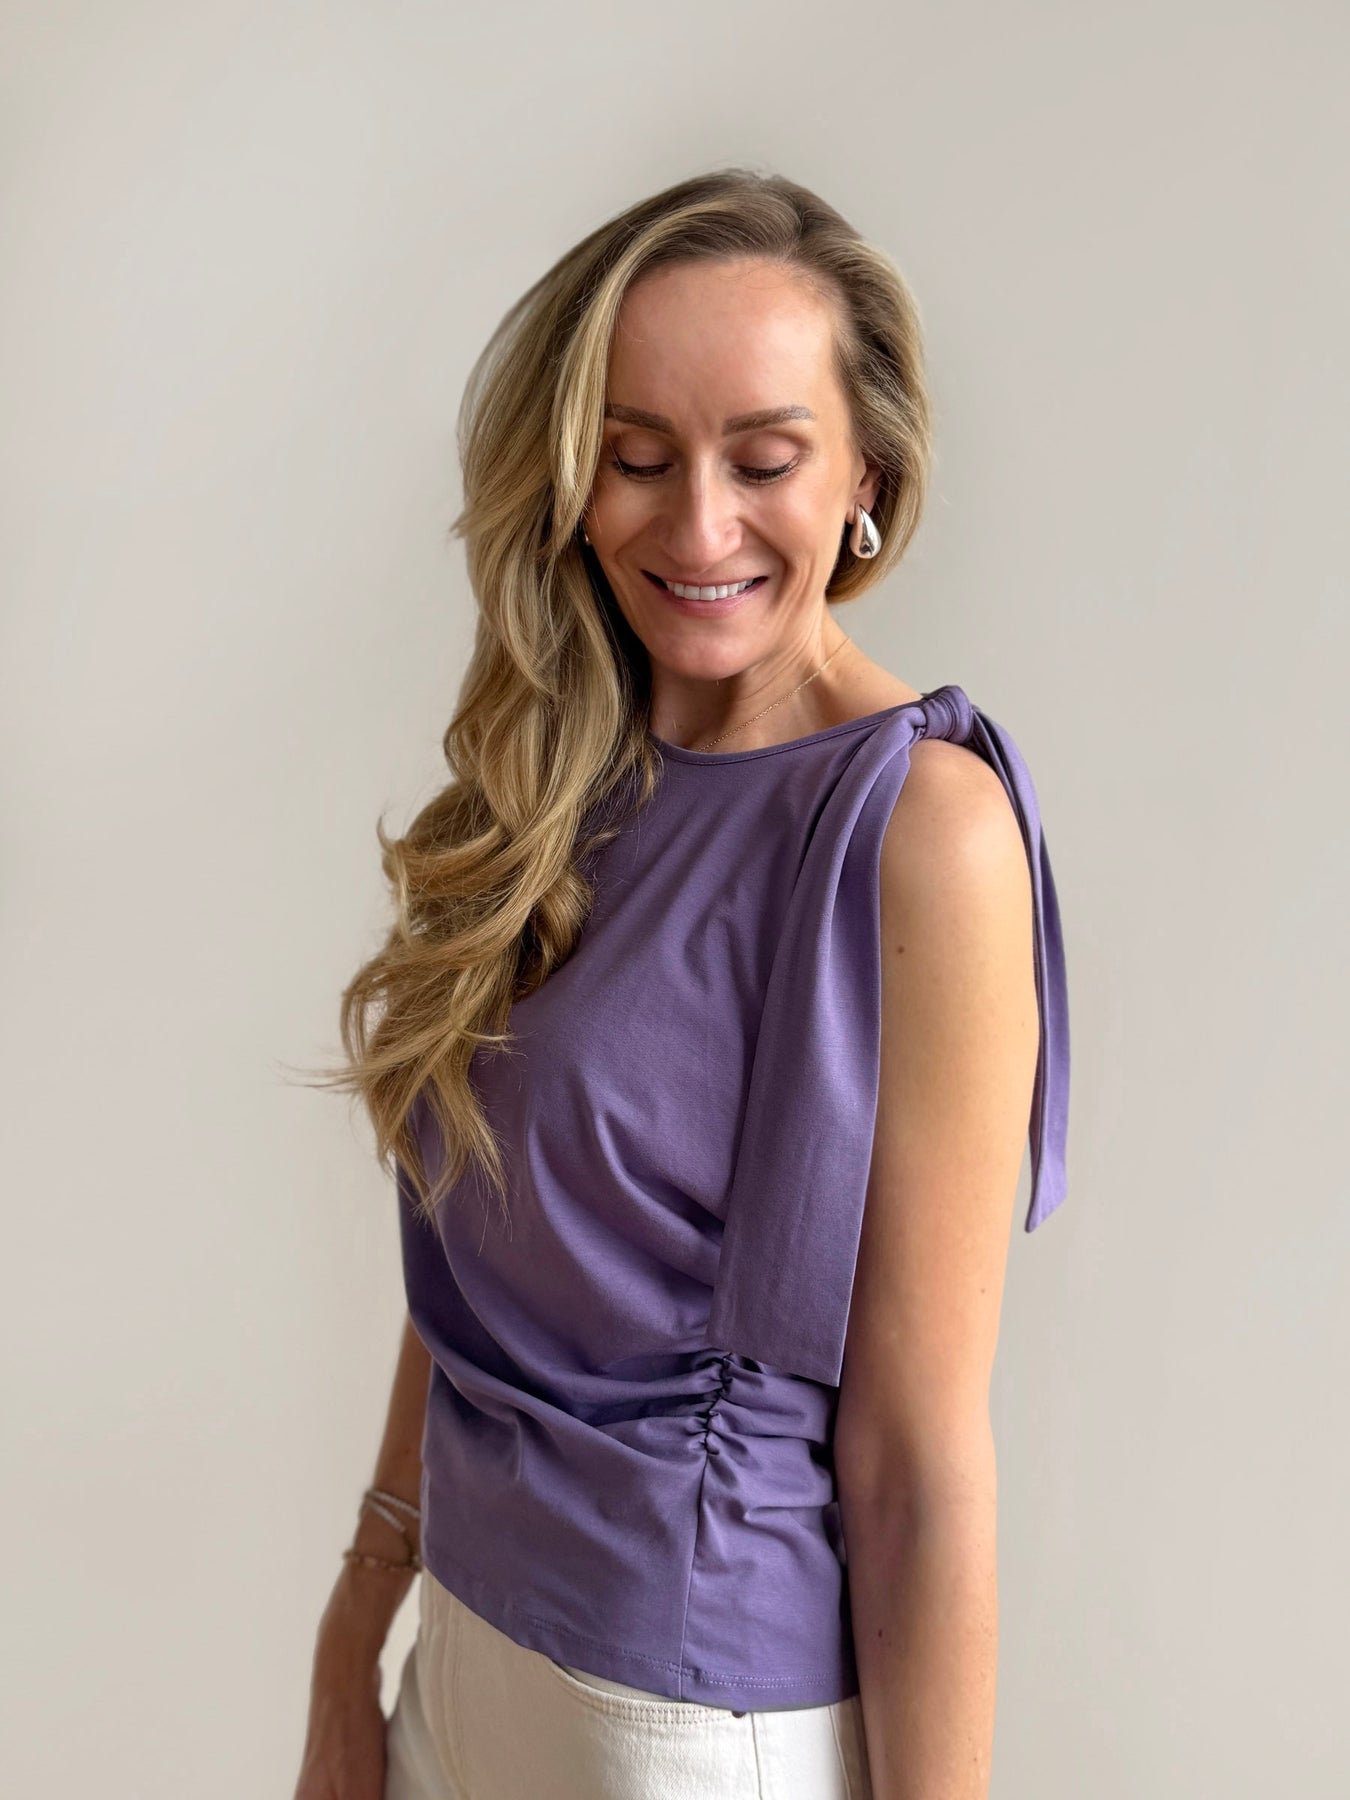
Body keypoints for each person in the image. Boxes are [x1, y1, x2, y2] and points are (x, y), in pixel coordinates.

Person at [293, 167, 1070, 1800]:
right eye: (635, 459)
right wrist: (355, 1626)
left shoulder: (916, 832)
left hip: (678, 1728)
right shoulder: (562, 775)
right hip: (462, 1658)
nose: (698, 527)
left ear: (864, 474)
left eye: (764, 461)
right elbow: (478, 1265)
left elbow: (921, 1462)